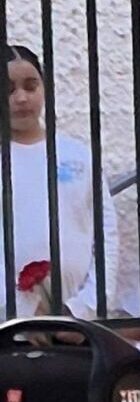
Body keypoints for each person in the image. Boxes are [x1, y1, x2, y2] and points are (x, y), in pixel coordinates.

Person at [1, 44, 119, 322]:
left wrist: (84, 307)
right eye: (8, 89)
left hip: (77, 321)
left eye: (31, 86)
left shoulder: (75, 153)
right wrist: (20, 310)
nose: (21, 98)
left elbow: (106, 233)